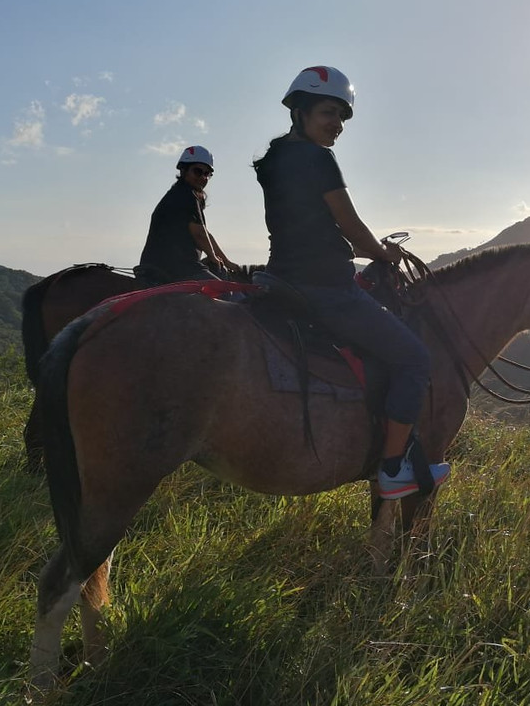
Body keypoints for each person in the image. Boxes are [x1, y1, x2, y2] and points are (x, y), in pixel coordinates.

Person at [252, 66, 450, 500]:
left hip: (283, 275)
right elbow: (351, 225)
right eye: (329, 113)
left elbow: (308, 223)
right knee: (415, 358)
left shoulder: (274, 158)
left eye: (342, 117)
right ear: (300, 110)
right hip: (325, 287)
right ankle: (394, 469)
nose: (337, 125)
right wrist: (382, 252)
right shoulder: (318, 158)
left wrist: (357, 247)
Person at [135, 145, 241, 287]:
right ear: (184, 170)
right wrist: (212, 257)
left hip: (170, 265)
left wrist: (225, 261)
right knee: (223, 290)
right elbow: (200, 235)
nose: (203, 177)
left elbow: (205, 234)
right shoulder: (185, 195)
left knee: (220, 273)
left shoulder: (183, 193)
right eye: (198, 171)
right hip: (176, 268)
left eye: (208, 174)